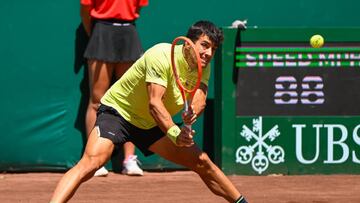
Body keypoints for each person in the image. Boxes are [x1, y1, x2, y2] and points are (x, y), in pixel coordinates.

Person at [50, 20, 248, 203]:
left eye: (213, 49)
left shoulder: (203, 63)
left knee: (202, 161)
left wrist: (191, 115)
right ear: (188, 43)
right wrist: (175, 133)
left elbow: (200, 97)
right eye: (204, 45)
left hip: (151, 124)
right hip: (119, 113)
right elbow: (155, 103)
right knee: (92, 162)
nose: (208, 53)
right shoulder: (161, 55)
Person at [80, 0, 148, 176]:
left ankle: (129, 160)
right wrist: (95, 35)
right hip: (101, 31)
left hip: (128, 32)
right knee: (97, 100)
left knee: (131, 100)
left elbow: (139, 6)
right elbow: (85, 9)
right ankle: (94, 160)